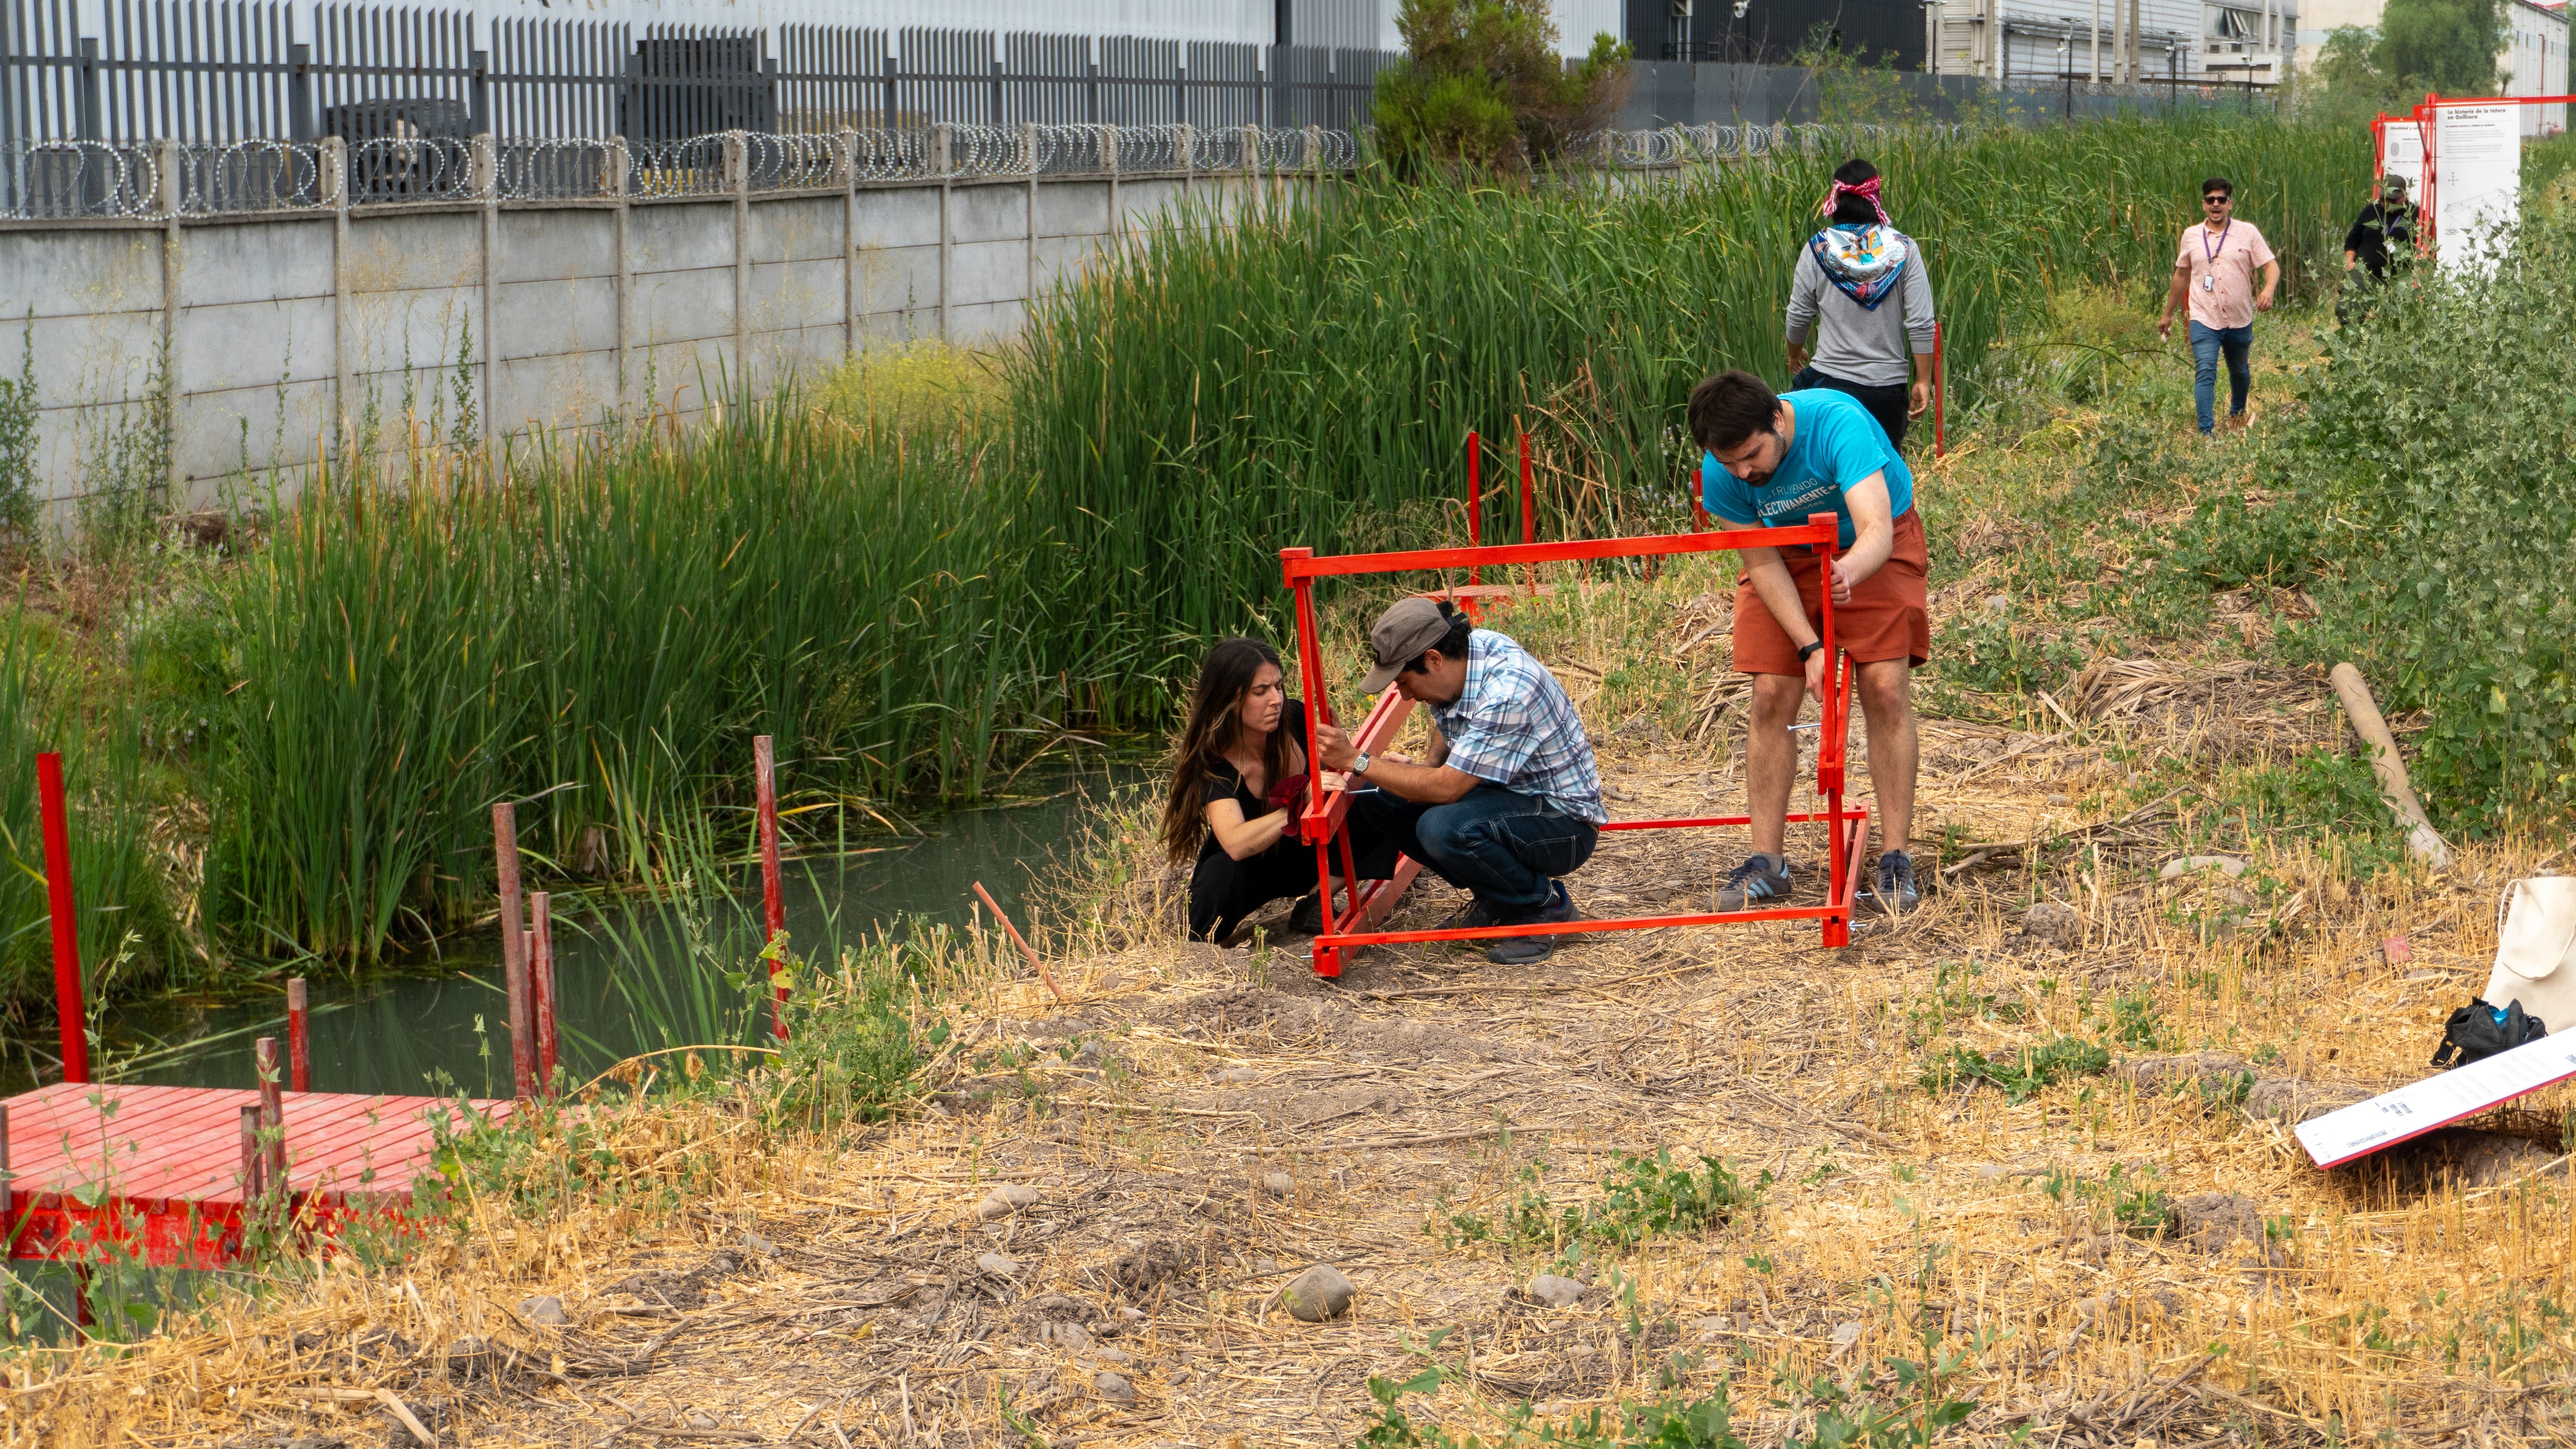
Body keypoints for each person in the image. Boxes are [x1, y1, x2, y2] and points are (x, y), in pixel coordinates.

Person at [1690, 369, 1927, 917]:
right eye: (1730, 463)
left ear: (1776, 419)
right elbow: (1760, 561)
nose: (1743, 472)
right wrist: (1807, 645)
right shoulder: (1723, 472)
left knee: (1884, 687)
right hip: (1788, 555)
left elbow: (1876, 530)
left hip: (1870, 548)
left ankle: (1895, 857)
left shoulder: (1835, 423)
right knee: (1771, 694)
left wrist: (1844, 574)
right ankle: (1766, 863)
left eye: (1751, 455)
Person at [1311, 598, 1603, 966]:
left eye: (1405, 681)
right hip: (1511, 793)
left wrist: (1357, 760)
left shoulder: (1508, 693)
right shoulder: (1468, 656)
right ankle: (1497, 893)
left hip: (1563, 823)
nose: (1404, 695)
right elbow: (1454, 717)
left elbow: (1447, 789)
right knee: (1382, 799)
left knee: (1443, 828)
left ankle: (1545, 906)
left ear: (1433, 659)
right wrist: (1427, 765)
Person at [1159, 637, 1392, 943]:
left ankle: (1314, 901)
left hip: (1315, 854)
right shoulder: (1215, 762)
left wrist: (1371, 764)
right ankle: (1198, 947)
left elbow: (1342, 768)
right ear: (1229, 699)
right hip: (1255, 867)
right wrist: (1298, 804)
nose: (1276, 699)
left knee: (1382, 795)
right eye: (1261, 692)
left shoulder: (1296, 717)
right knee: (1216, 884)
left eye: (1278, 687)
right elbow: (1236, 843)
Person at [1785, 158, 1937, 450]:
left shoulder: (1817, 248)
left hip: (1831, 389)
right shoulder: (1905, 249)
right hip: (1887, 392)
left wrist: (1794, 353)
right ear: (1876, 198)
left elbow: (1799, 316)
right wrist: (1923, 380)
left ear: (1836, 198)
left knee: (1830, 481)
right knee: (1886, 480)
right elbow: (1921, 322)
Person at [2157, 176, 2278, 437]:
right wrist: (2168, 314)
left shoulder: (2247, 233)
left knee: (2240, 370)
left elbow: (2271, 266)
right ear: (2204, 205)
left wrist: (2268, 290)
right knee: (2205, 370)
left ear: (2230, 204)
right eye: (2211, 200)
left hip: (2239, 318)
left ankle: (2237, 413)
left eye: (2221, 200)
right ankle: (2206, 432)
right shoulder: (2191, 236)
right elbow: (2181, 276)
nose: (2216, 204)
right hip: (2204, 316)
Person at [2343, 174, 2418, 281]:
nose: (2387, 204)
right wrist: (2350, 262)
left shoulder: (2415, 215)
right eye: (2383, 200)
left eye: (2392, 201)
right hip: (2363, 274)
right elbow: (2352, 240)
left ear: (2404, 197)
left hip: (2396, 280)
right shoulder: (2371, 210)